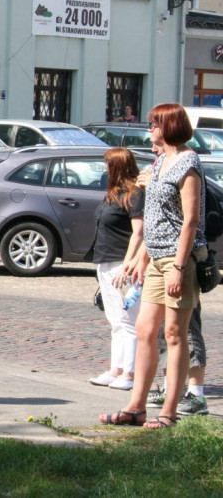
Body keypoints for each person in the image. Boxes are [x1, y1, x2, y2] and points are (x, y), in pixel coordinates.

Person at [100, 103, 206, 429]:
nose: (148, 130)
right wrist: (140, 257)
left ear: (168, 126)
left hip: (178, 261)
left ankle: (168, 412)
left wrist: (177, 266)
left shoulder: (188, 164)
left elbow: (189, 221)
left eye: (152, 124)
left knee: (175, 334)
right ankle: (136, 407)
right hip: (155, 259)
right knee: (146, 331)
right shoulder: (160, 161)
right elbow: (156, 219)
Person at [88, 148, 144, 391]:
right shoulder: (113, 193)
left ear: (118, 167)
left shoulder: (134, 194)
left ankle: (129, 374)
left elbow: (139, 232)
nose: (105, 169)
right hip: (106, 262)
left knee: (128, 320)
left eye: (108, 165)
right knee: (115, 320)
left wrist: (129, 263)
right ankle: (116, 370)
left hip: (122, 264)